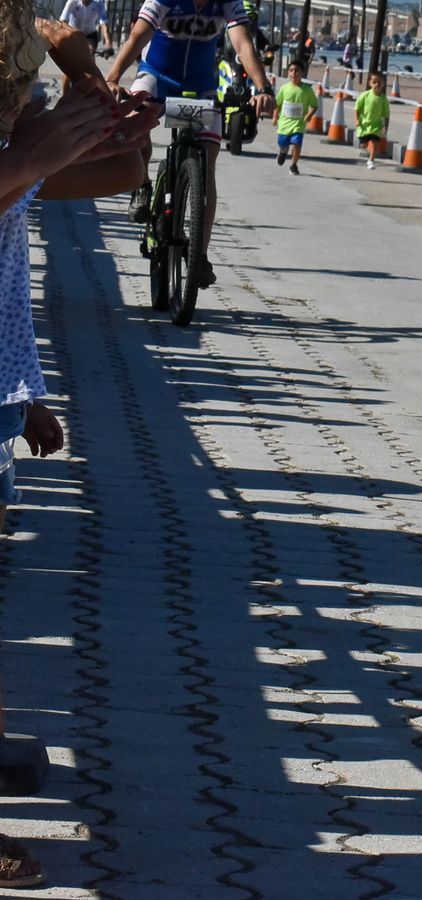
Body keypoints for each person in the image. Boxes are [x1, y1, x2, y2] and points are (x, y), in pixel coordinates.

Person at [1, 9, 157, 887]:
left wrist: (93, 95)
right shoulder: (14, 142)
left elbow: (120, 171)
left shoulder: (14, 132)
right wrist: (41, 143)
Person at [105, 0, 275, 288]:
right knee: (134, 121)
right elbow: (139, 35)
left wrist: (263, 88)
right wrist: (113, 77)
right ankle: (143, 185)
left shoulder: (229, 3)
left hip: (199, 87)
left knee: (207, 161)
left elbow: (243, 43)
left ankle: (201, 256)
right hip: (157, 78)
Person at [271, 59, 314, 175]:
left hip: (298, 124)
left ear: (302, 73)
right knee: (283, 144)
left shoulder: (307, 90)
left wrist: (309, 114)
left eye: (297, 71)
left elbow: (314, 105)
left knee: (297, 144)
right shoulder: (284, 88)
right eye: (291, 70)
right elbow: (278, 104)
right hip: (284, 124)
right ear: (288, 73)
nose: (294, 73)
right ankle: (283, 151)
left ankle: (294, 165)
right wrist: (275, 117)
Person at [354, 70, 388, 169]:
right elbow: (357, 108)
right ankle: (365, 145)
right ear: (370, 83)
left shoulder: (383, 99)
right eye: (374, 82)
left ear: (383, 84)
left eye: (379, 83)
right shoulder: (365, 95)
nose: (377, 85)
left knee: (374, 143)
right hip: (364, 125)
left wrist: (386, 126)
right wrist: (356, 119)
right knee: (364, 145)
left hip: (376, 126)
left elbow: (386, 114)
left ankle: (371, 161)